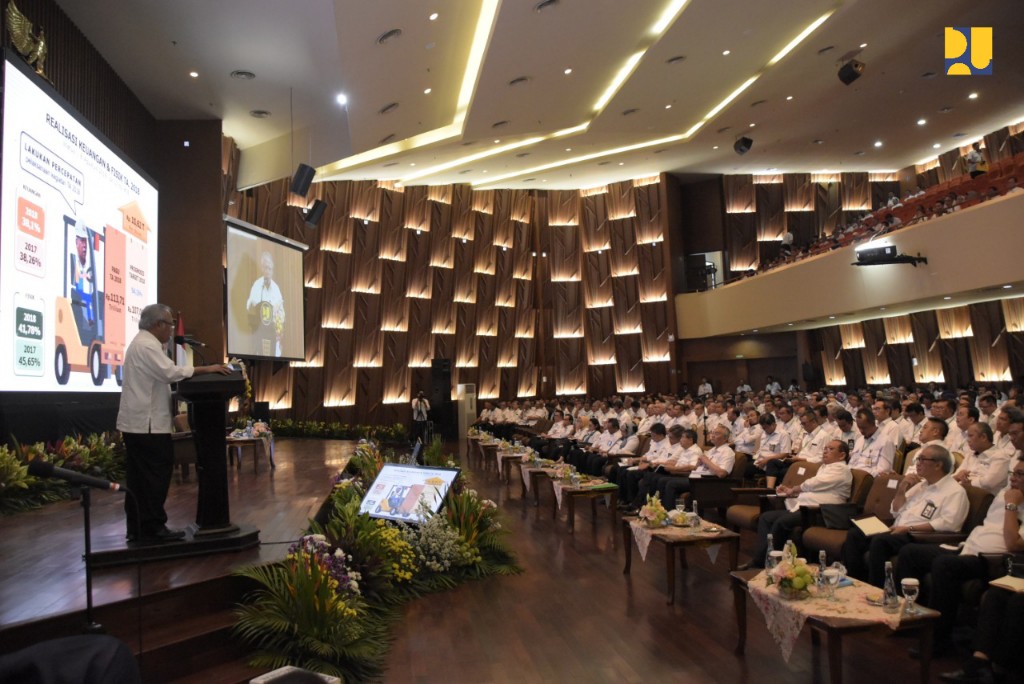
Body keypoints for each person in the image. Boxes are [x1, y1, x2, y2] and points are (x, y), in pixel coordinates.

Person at [117, 304, 230, 543]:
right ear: (157, 325)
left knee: (140, 478)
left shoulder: (143, 343)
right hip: (146, 425)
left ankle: (139, 527)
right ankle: (152, 527)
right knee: (154, 475)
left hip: (139, 424)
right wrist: (206, 369)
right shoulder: (147, 345)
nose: (171, 329)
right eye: (169, 324)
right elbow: (170, 373)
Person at [840, 444, 968, 587]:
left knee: (881, 541)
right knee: (855, 534)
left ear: (938, 465)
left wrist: (909, 528)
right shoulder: (921, 486)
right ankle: (854, 582)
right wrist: (902, 489)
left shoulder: (955, 491)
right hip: (897, 528)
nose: (917, 464)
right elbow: (895, 511)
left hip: (918, 536)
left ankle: (877, 589)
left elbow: (949, 524)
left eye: (922, 460)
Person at [748, 440, 853, 567]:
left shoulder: (841, 469)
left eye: (830, 449)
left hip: (821, 512)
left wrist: (795, 489)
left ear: (842, 455)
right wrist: (789, 492)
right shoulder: (824, 467)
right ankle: (761, 559)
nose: (825, 451)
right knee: (766, 517)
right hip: (804, 508)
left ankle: (763, 563)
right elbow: (813, 490)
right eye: (825, 448)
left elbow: (815, 484)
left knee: (781, 522)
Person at [245, 250, 285, 357]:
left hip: (272, 332)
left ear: (272, 270)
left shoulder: (276, 289)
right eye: (265, 267)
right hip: (259, 332)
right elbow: (248, 306)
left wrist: (279, 327)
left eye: (270, 268)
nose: (267, 271)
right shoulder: (257, 285)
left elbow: (281, 313)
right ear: (262, 268)